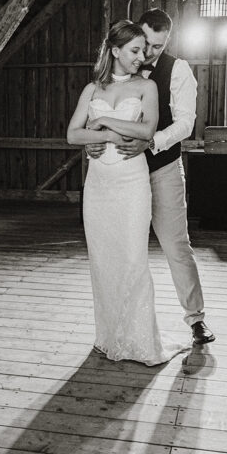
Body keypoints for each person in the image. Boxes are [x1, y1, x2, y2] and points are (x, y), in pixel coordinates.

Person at [87, 9, 214, 346]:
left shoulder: (178, 69)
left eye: (159, 46)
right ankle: (122, 326)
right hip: (122, 174)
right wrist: (92, 144)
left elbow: (185, 123)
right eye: (146, 45)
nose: (149, 53)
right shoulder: (118, 70)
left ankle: (196, 318)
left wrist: (152, 142)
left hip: (162, 169)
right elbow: (98, 114)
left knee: (175, 245)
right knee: (123, 248)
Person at [68, 20, 189, 365]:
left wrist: (104, 122)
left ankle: (140, 340)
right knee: (103, 261)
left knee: (133, 259)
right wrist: (107, 136)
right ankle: (109, 335)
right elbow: (73, 134)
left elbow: (147, 130)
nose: (141, 56)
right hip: (99, 186)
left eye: (144, 50)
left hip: (132, 183)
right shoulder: (92, 89)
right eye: (135, 50)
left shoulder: (147, 87)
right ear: (115, 50)